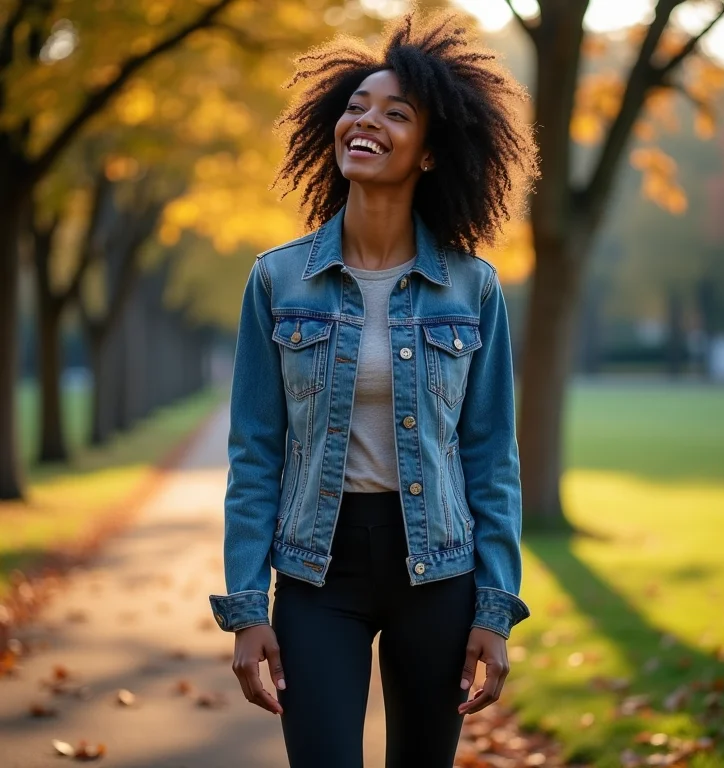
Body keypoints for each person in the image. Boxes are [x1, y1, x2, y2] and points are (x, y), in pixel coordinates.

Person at [209, 7, 539, 767]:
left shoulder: (471, 287)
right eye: (356, 105)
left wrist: (495, 609)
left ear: (430, 153)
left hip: (440, 571)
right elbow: (255, 451)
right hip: (316, 570)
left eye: (396, 112)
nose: (367, 120)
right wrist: (245, 606)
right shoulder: (278, 278)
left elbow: (491, 457)